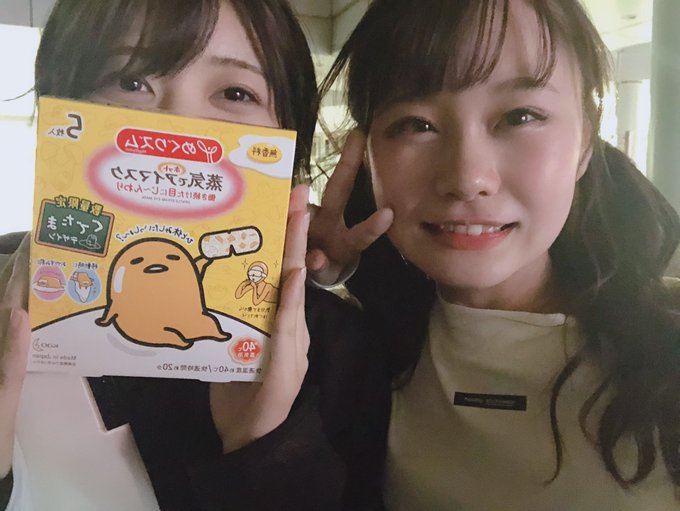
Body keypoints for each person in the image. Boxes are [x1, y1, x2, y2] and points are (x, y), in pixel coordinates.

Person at [0, 1, 375, 509]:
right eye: (130, 81)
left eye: (236, 93)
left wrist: (264, 447)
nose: (177, 124)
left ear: (288, 140)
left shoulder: (337, 349)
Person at [305, 0, 680, 509]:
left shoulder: (666, 345)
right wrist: (297, 293)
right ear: (366, 153)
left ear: (585, 142)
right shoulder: (360, 355)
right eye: (416, 124)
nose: (467, 178)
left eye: (520, 116)